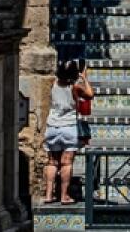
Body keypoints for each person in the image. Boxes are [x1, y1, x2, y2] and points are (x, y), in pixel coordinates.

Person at [43, 58, 85, 204]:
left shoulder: (53, 83)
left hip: (52, 127)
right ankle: (64, 196)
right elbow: (90, 94)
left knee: (52, 162)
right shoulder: (75, 87)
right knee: (66, 163)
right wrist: (84, 77)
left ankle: (48, 195)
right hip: (68, 127)